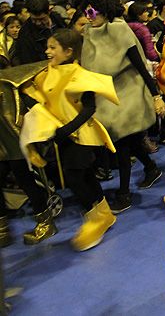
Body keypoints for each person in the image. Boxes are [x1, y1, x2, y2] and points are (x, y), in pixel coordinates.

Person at [20, 28, 119, 251]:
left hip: (82, 135)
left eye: (53, 47)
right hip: (61, 137)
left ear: (68, 51)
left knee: (75, 178)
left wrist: (68, 128)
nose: (47, 51)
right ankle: (104, 213)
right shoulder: (47, 73)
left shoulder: (81, 75)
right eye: (48, 46)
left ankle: (95, 220)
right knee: (84, 176)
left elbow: (89, 108)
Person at [81, 0, 165, 213]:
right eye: (86, 13)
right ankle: (150, 168)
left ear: (105, 11)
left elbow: (140, 65)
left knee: (121, 143)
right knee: (127, 141)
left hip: (128, 93)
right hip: (106, 95)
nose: (88, 18)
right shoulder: (90, 34)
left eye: (92, 12)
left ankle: (124, 194)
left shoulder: (120, 31)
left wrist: (156, 95)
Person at [0, 61, 58, 246]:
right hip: (5, 145)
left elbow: (13, 118)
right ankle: (2, 228)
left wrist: (30, 147)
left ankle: (46, 222)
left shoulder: (7, 85)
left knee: (26, 182)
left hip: (15, 144)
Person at [14, 0, 66, 65]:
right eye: (34, 19)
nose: (38, 23)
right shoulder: (25, 33)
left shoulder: (58, 21)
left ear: (49, 12)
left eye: (42, 19)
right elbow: (28, 61)